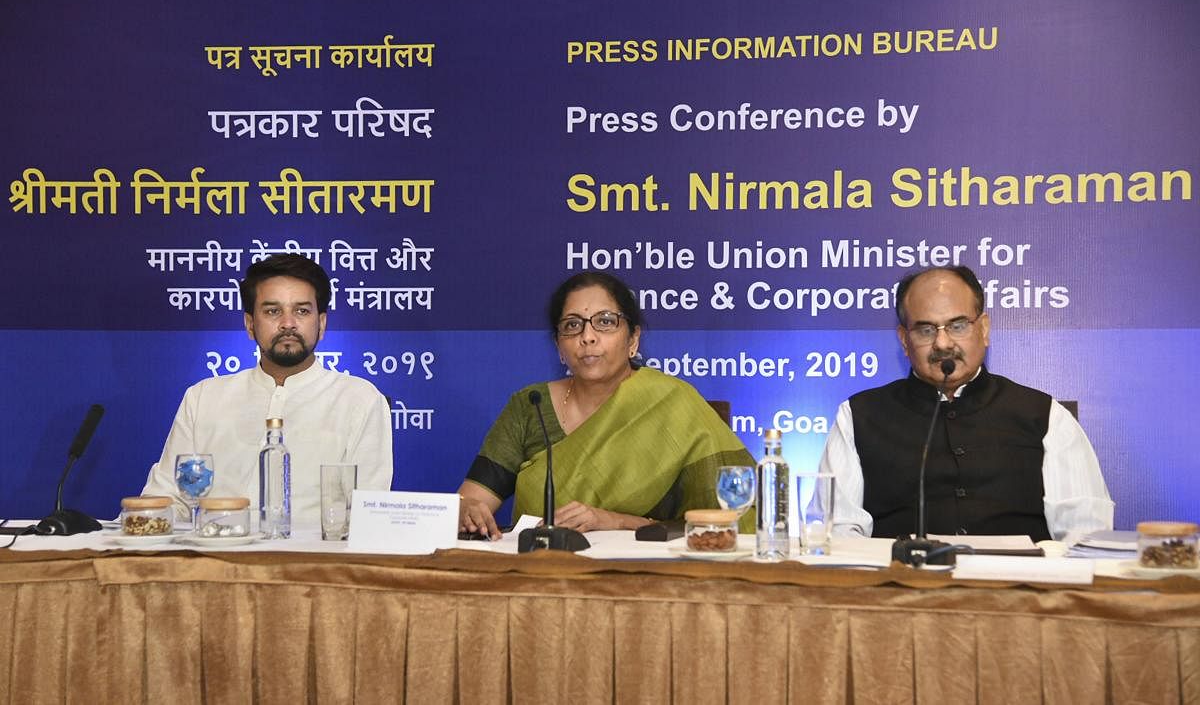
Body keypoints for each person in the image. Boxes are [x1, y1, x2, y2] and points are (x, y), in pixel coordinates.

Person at [818, 265, 1112, 542]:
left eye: (957, 326)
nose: (943, 344)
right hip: (904, 589)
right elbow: (836, 534)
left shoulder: (1044, 416)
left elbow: (1086, 537)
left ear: (983, 329)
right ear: (904, 340)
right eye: (925, 330)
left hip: (1016, 591)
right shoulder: (859, 416)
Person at [457, 271, 754, 539]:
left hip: (648, 579)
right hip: (542, 575)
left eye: (605, 322)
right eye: (572, 325)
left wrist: (614, 521)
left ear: (633, 339)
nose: (588, 337)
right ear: (559, 347)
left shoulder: (674, 404)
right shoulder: (530, 406)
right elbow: (470, 500)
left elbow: (730, 522)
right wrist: (466, 510)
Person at [143, 253, 393, 527]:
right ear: (250, 325)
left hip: (315, 564)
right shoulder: (203, 398)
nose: (288, 323)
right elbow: (167, 499)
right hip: (213, 561)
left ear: (321, 324)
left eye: (302, 311)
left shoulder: (360, 400)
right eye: (273, 311)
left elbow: (369, 514)